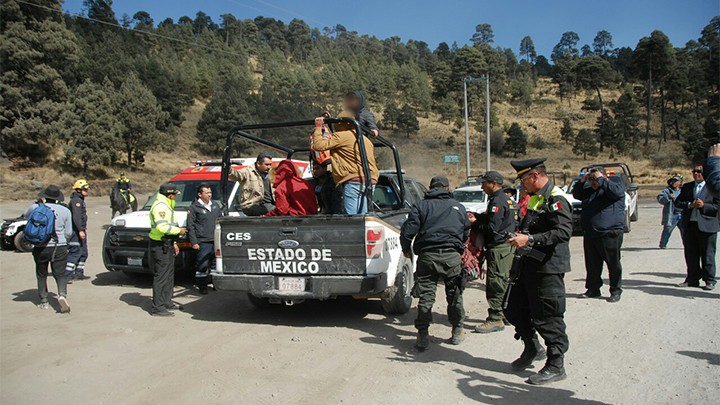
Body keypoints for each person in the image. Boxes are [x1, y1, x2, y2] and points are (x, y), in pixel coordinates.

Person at [506, 158, 572, 385]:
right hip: (528, 267)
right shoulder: (537, 198)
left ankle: (556, 364)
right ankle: (532, 347)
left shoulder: (556, 198)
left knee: (548, 316)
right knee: (513, 308)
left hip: (547, 269)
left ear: (535, 175)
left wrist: (530, 239)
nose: (522, 185)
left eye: (524, 179)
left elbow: (563, 232)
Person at [400, 176, 470, 351]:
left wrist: (406, 248)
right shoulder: (458, 207)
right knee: (454, 294)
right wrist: (458, 248)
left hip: (427, 256)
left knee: (426, 296)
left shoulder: (421, 206)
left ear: (430, 188)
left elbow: (408, 230)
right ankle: (457, 330)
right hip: (451, 257)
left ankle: (423, 334)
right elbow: (466, 231)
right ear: (447, 188)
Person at [571, 167, 626, 302]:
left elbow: (618, 192)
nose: (593, 182)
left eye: (594, 179)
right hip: (591, 233)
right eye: (592, 179)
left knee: (613, 264)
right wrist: (582, 181)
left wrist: (601, 178)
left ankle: (615, 290)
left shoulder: (613, 189)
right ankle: (593, 289)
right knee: (592, 264)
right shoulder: (589, 192)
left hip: (609, 233)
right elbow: (576, 194)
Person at [474, 171, 518, 334]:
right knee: (504, 280)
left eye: (484, 183)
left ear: (493, 183)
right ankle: (505, 313)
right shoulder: (507, 200)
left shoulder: (497, 201)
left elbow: (492, 229)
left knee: (496, 282)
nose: (482, 186)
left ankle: (495, 318)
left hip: (499, 247)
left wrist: (475, 224)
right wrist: (478, 217)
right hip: (507, 246)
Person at [313, 111, 380, 215]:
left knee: (351, 218)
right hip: (370, 180)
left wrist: (318, 128)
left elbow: (318, 146)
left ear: (340, 123)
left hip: (353, 180)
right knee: (362, 217)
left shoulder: (342, 136)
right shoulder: (365, 139)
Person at [25, 185, 73, 313]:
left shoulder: (35, 207)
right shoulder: (65, 210)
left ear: (45, 196)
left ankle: (44, 301)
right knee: (60, 274)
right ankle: (62, 295)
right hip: (59, 246)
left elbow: (26, 217)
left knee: (41, 274)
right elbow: (69, 232)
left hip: (41, 246)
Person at [675, 165, 719, 290]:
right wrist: (689, 204)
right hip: (690, 225)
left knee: (708, 254)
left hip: (707, 225)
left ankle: (710, 280)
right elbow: (677, 202)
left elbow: (717, 207)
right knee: (691, 254)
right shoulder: (688, 187)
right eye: (694, 171)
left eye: (699, 172)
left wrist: (704, 206)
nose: (696, 174)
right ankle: (692, 279)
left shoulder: (713, 188)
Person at [148, 183, 187, 316]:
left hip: (167, 243)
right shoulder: (161, 207)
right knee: (161, 276)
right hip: (160, 245)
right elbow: (162, 228)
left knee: (169, 275)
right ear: (170, 195)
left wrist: (175, 242)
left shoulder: (167, 205)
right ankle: (157, 307)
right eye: (175, 195)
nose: (176, 197)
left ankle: (167, 301)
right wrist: (179, 230)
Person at [187, 183, 221, 295]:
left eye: (210, 192)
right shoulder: (194, 208)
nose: (209, 195)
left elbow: (221, 221)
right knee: (202, 265)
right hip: (203, 241)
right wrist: (194, 242)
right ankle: (202, 286)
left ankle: (216, 284)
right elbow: (190, 226)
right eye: (206, 193)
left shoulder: (215, 205)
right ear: (200, 194)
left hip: (216, 240)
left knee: (216, 265)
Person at [66, 179, 90, 282]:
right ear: (78, 190)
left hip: (81, 230)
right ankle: (67, 275)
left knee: (83, 252)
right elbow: (76, 217)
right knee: (75, 252)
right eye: (85, 189)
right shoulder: (76, 201)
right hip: (75, 231)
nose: (87, 191)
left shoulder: (80, 200)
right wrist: (80, 230)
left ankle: (79, 273)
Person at [657, 176, 683, 249]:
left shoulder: (683, 191)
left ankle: (688, 245)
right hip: (672, 215)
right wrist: (668, 197)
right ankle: (663, 244)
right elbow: (660, 199)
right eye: (672, 181)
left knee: (685, 232)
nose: (674, 183)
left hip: (683, 214)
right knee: (667, 230)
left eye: (676, 181)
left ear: (680, 183)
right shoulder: (667, 191)